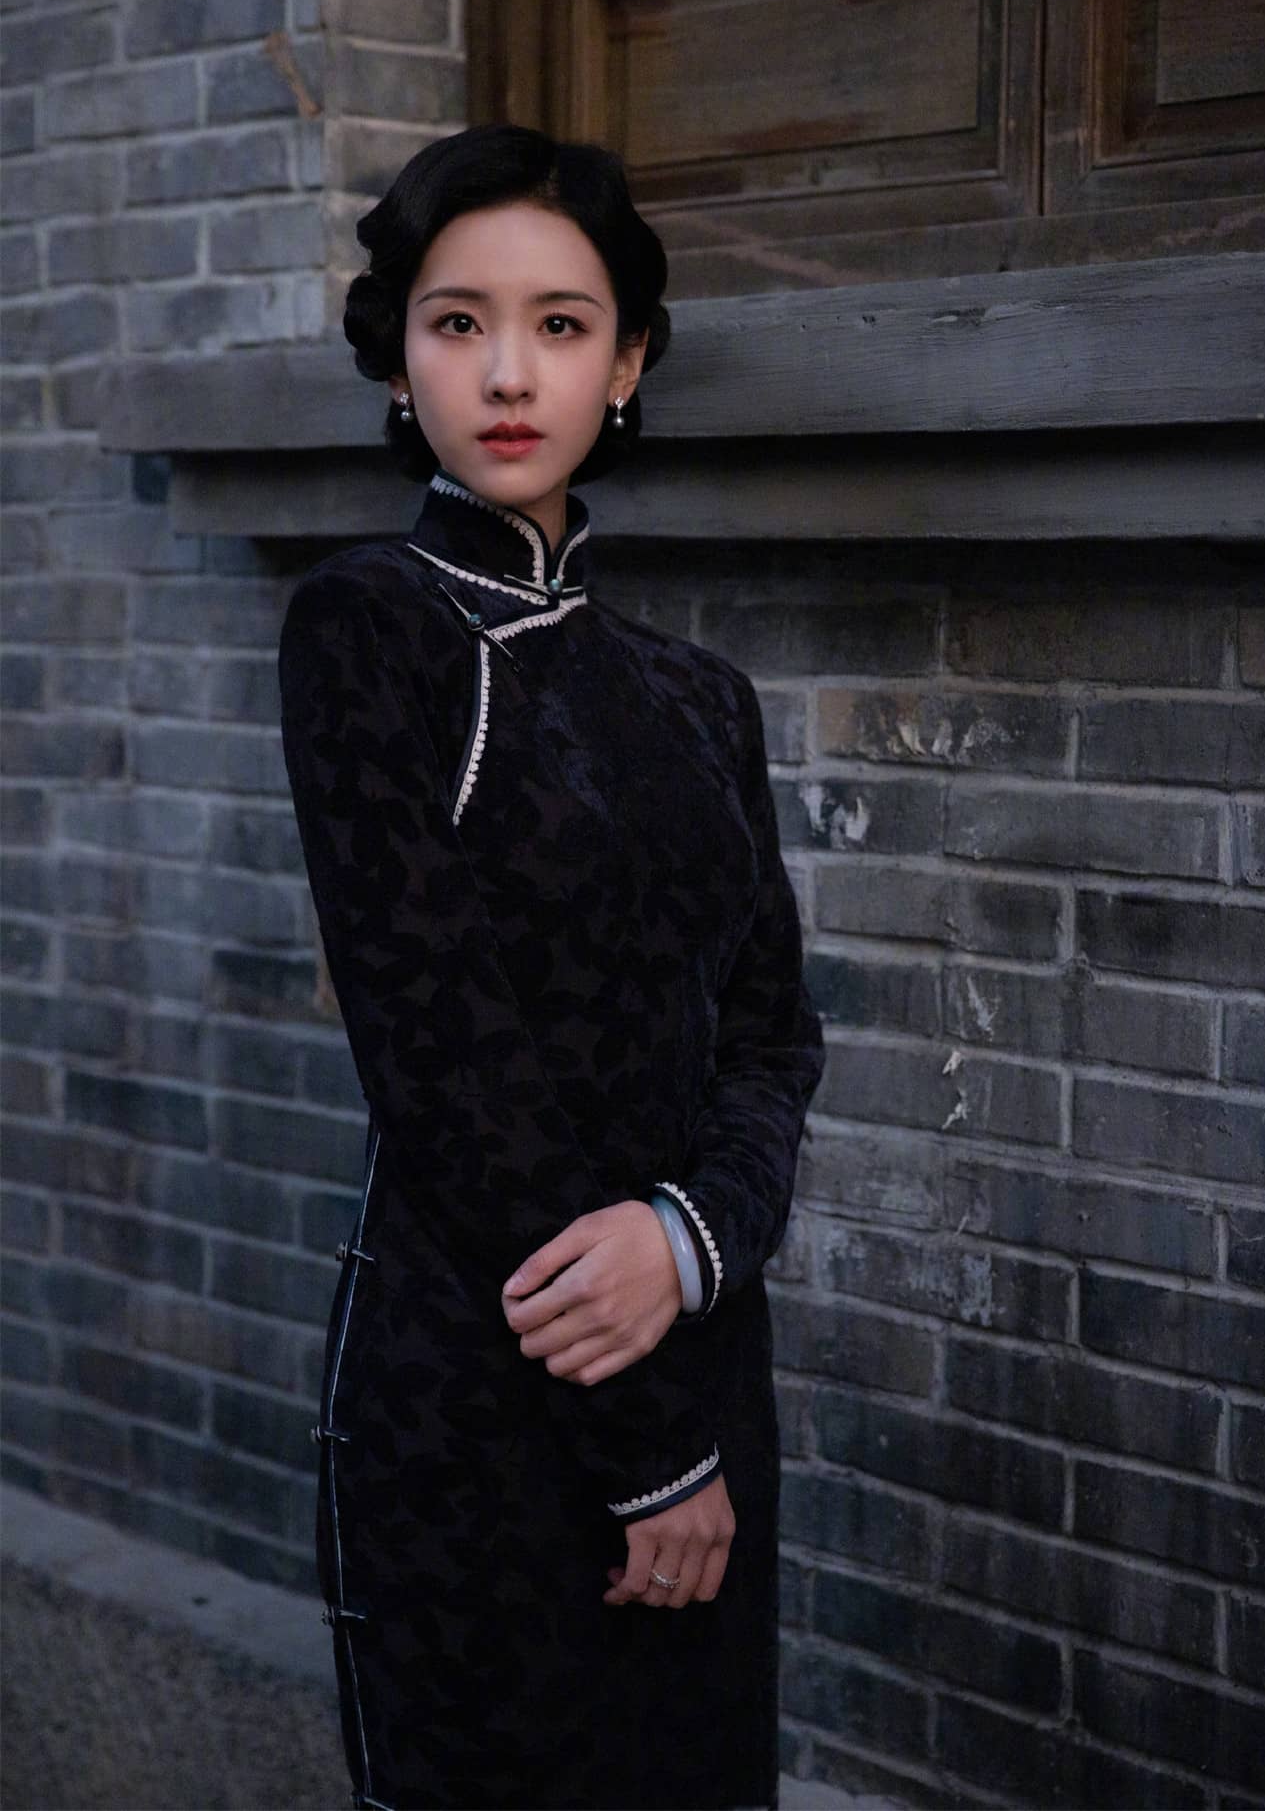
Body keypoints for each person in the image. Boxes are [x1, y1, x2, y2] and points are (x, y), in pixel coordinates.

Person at [277, 121, 826, 1811]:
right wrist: (647, 1449)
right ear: (400, 362)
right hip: (480, 1397)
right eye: (458, 323)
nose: (509, 373)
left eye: (562, 324)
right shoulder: (370, 628)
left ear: (628, 361)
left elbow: (772, 1033)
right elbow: (449, 1072)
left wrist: (688, 1236)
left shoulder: (701, 699)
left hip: (705, 1352)